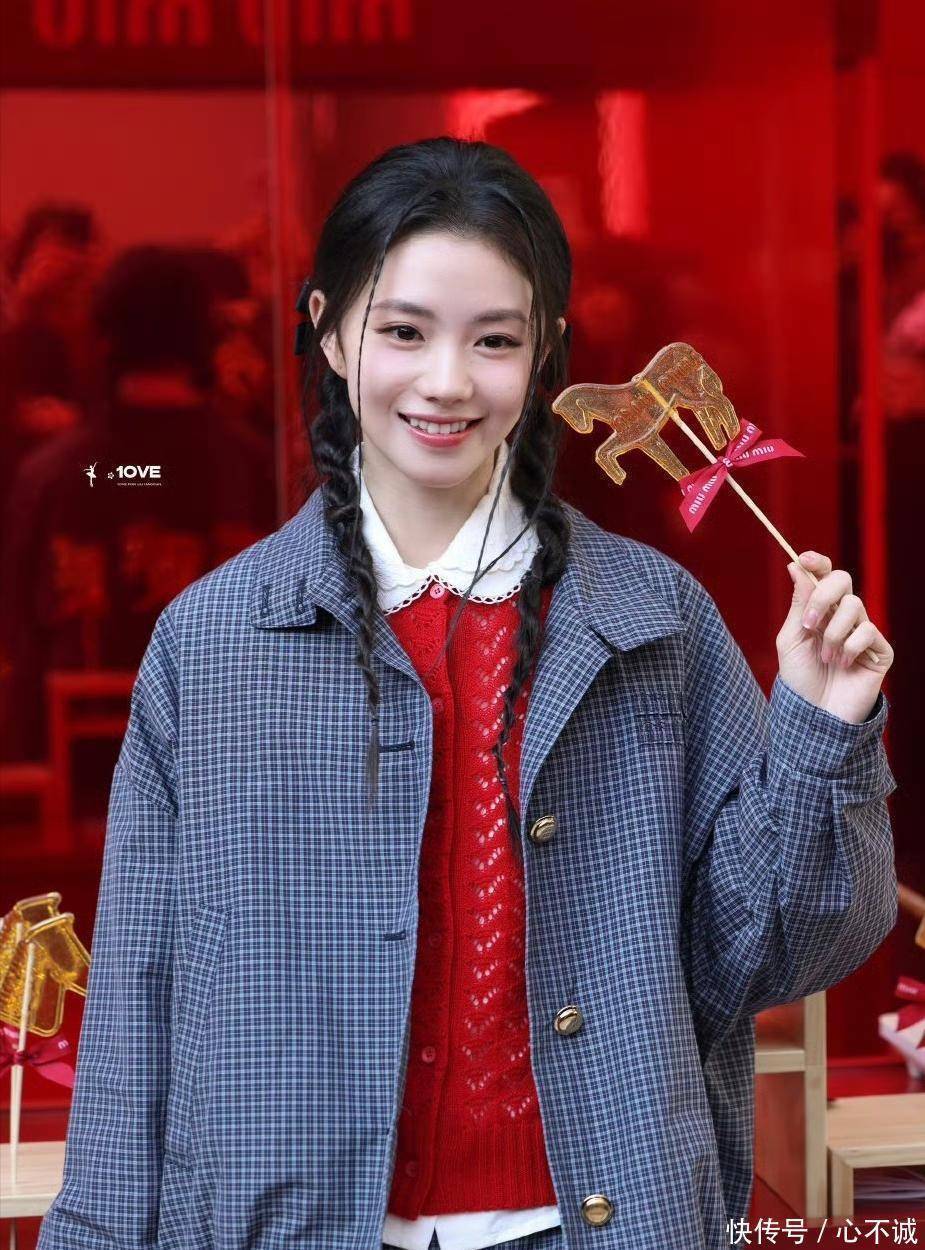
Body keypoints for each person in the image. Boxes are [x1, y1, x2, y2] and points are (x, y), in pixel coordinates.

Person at [37, 137, 897, 1250]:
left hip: (596, 1222)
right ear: (329, 330)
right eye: (403, 331)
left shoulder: (653, 621)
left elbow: (763, 955)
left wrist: (821, 725)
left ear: (546, 354)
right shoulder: (214, 644)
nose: (446, 381)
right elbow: (136, 1005)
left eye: (494, 339)